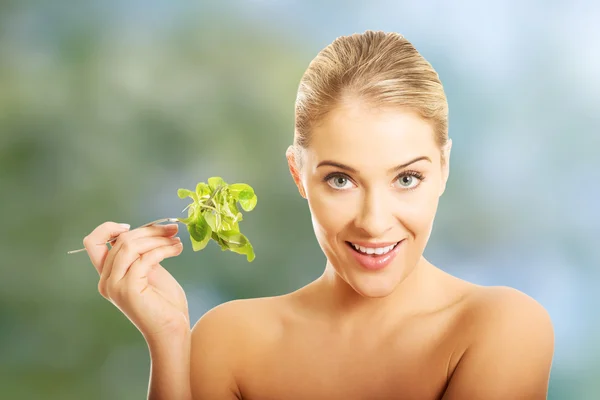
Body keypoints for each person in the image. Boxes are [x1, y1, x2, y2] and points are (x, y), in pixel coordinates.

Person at [82, 31, 555, 400]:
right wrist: (168, 341)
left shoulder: (501, 327)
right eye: (341, 180)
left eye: (407, 178)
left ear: (444, 168)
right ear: (298, 173)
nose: (373, 221)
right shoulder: (229, 340)